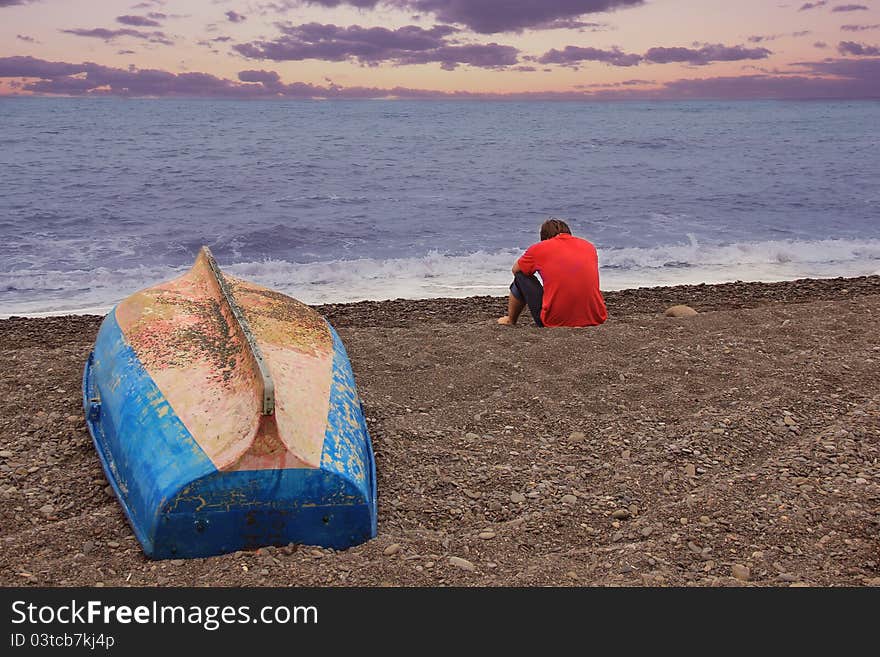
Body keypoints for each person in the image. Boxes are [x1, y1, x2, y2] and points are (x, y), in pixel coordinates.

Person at [498, 218, 607, 328]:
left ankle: (511, 320)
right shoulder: (588, 246)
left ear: (545, 237)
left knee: (521, 275)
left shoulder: (540, 248)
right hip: (595, 318)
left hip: (554, 321)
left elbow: (516, 269)